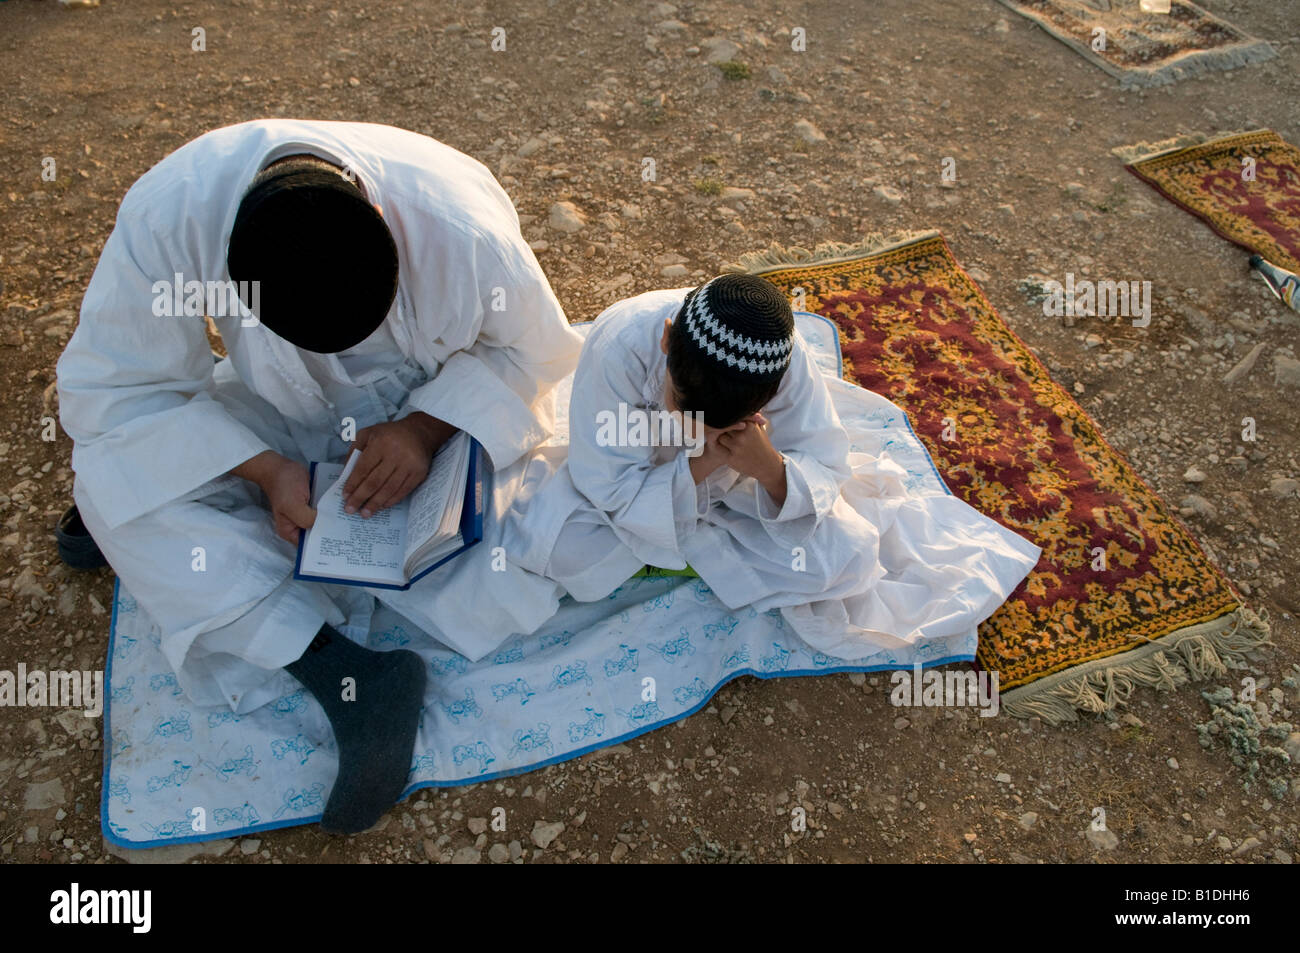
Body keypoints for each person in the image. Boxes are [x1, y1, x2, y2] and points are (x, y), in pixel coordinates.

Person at [56, 119, 583, 833]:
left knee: (522, 531)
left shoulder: (457, 229)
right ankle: (352, 677)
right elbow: (117, 393)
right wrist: (265, 467)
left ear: (382, 222)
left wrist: (422, 430)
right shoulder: (172, 217)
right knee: (105, 476)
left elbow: (536, 356)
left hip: (421, 395)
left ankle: (208, 537)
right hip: (277, 406)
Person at [504, 273, 1043, 662]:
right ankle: (691, 552)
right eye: (679, 402)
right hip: (657, 483)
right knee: (556, 551)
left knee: (851, 559)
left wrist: (771, 469)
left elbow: (825, 462)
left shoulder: (785, 364)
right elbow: (608, 483)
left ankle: (678, 556)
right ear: (667, 339)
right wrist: (707, 456)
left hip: (741, 483)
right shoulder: (619, 346)